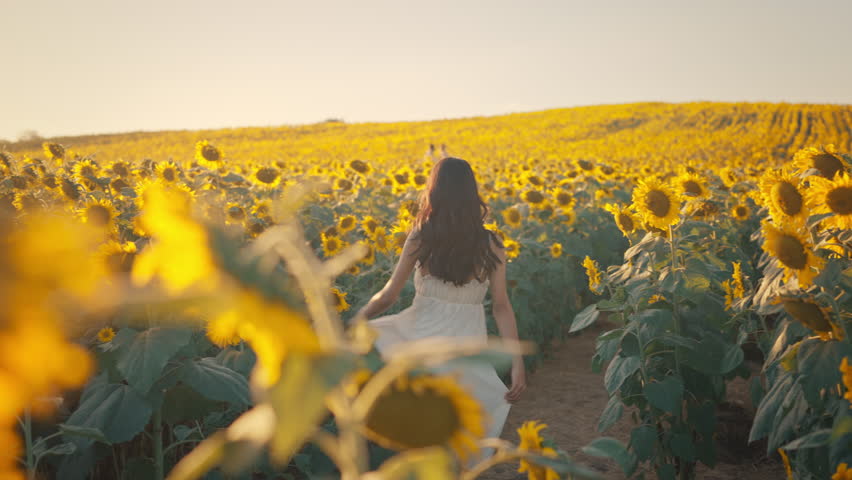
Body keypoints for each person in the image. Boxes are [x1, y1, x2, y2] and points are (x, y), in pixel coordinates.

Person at [356, 156, 526, 460]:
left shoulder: (422, 235)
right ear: (471, 194)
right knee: (457, 434)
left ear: (434, 192)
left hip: (418, 342)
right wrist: (517, 363)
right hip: (466, 350)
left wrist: (354, 323)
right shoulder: (492, 244)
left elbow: (388, 296)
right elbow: (501, 306)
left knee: (414, 434)